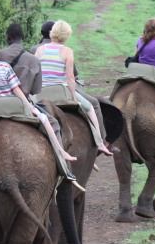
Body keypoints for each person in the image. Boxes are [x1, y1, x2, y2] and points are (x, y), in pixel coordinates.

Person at [0, 39, 77, 173]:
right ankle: (61, 153)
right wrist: (31, 109)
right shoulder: (4, 66)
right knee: (45, 119)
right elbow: (17, 91)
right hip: (14, 107)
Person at [35, 20, 114, 157]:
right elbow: (70, 78)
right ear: (66, 36)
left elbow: (35, 72)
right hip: (61, 91)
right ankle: (100, 142)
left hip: (41, 93)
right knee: (89, 106)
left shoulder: (40, 50)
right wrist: (73, 97)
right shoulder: (67, 51)